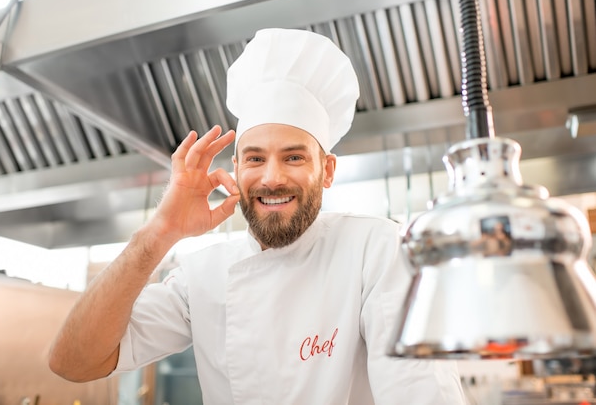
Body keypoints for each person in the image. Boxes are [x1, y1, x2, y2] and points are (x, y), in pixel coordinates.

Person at [49, 28, 467, 404]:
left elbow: (420, 391)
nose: (271, 178)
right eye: (254, 158)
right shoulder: (201, 276)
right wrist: (158, 234)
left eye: (294, 157)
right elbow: (73, 363)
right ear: (235, 169)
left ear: (328, 172)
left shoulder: (378, 251)